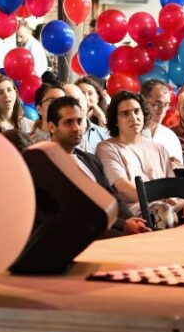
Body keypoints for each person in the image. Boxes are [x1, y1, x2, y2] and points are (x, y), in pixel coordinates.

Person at [47, 96, 151, 237]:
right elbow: (78, 212)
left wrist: (131, 221)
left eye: (79, 121)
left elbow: (113, 198)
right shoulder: (47, 163)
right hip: (77, 236)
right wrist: (124, 225)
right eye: (68, 122)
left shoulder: (90, 160)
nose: (76, 128)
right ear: (52, 127)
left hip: (112, 230)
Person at [95, 91, 174, 208]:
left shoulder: (159, 148)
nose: (134, 118)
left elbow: (172, 185)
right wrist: (160, 198)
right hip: (136, 209)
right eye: (125, 114)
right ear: (116, 121)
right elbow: (123, 189)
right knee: (163, 211)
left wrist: (172, 199)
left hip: (168, 204)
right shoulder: (106, 148)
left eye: (137, 111)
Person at [140, 79, 183, 168]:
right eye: (157, 104)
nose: (162, 110)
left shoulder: (170, 137)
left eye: (166, 105)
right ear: (143, 102)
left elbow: (180, 172)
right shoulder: (129, 134)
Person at [64, 83, 109, 154]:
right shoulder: (60, 137)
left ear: (85, 101)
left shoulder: (104, 134)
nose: (75, 105)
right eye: (70, 102)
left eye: (77, 100)